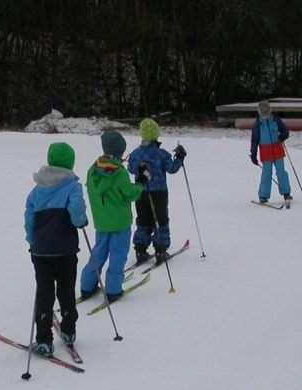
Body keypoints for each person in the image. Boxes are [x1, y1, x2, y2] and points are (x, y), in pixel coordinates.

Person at [24, 142, 88, 356]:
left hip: (41, 251)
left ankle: (43, 339)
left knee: (44, 292)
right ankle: (69, 330)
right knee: (66, 289)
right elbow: (77, 209)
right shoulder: (72, 185)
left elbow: (29, 218)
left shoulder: (37, 189)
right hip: (66, 249)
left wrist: (31, 240)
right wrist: (80, 221)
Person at [80, 131, 147, 302]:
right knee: (118, 255)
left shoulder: (93, 169)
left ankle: (87, 286)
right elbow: (129, 193)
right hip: (120, 224)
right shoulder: (119, 173)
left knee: (99, 253)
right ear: (119, 151)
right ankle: (113, 290)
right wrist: (141, 185)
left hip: (102, 222)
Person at [128, 118, 186, 265]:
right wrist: (179, 157)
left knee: (143, 220)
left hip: (140, 192)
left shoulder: (135, 154)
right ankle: (160, 249)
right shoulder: (161, 154)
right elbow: (172, 168)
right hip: (158, 193)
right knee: (160, 220)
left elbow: (130, 168)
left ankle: (140, 249)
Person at [250, 100, 292, 206]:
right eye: (263, 114)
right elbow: (254, 140)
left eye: (267, 113)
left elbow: (285, 131)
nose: (266, 116)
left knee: (281, 172)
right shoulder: (257, 124)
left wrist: (283, 136)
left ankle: (286, 193)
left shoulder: (276, 120)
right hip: (266, 152)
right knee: (266, 174)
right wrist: (253, 154)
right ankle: (263, 195)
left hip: (278, 150)